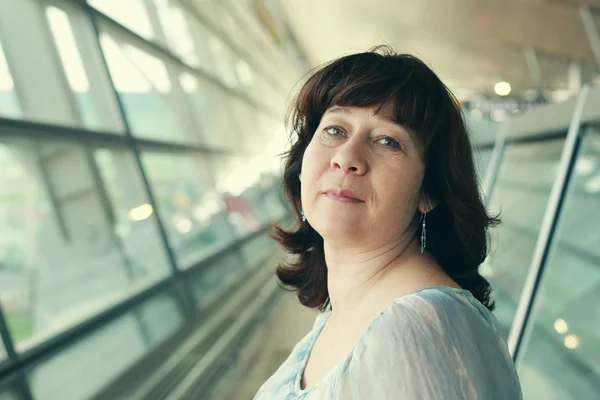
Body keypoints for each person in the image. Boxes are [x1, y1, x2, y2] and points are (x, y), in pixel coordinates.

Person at [254, 46, 522, 399]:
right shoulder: (347, 315)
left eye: (386, 140)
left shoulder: (416, 331)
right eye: (335, 130)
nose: (347, 158)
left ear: (430, 190)